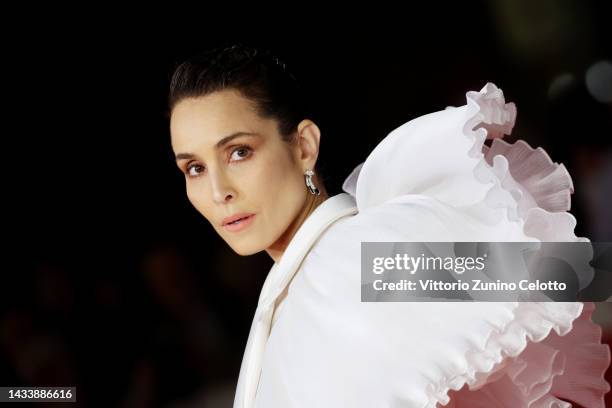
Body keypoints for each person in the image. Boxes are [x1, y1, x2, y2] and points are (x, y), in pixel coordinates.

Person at [168, 43, 611, 408]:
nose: (218, 190)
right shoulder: (304, 287)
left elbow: (571, 271)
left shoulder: (352, 261)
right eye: (194, 168)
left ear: (303, 146)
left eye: (238, 152)